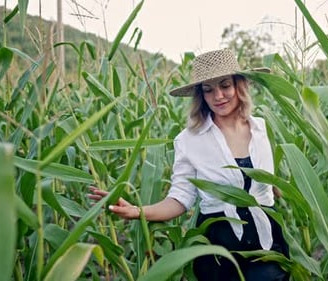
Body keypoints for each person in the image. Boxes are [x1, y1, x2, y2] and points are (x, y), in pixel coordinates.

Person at [88, 48, 289, 281]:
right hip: (218, 246)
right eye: (208, 90)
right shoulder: (189, 140)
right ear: (200, 95)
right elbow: (180, 199)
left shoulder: (263, 129)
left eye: (225, 85)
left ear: (239, 85)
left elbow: (274, 184)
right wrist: (138, 211)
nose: (218, 96)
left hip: (267, 240)